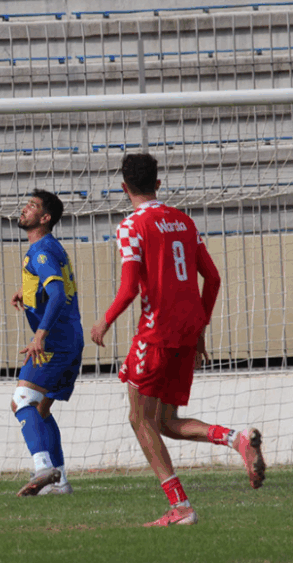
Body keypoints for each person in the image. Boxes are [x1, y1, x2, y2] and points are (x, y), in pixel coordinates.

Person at [90, 153, 266, 527]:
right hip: (187, 333)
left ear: (124, 188)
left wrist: (104, 322)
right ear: (158, 183)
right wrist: (200, 330)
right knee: (165, 421)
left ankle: (181, 507)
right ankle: (236, 439)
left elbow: (128, 290)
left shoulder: (131, 225)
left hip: (155, 335)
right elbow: (213, 279)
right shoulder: (184, 221)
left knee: (140, 420)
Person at [9, 190, 84, 497]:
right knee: (40, 409)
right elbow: (51, 287)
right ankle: (60, 482)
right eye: (25, 203)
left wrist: (39, 334)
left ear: (45, 218)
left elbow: (56, 294)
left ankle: (43, 467)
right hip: (71, 339)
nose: (24, 209)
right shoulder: (50, 248)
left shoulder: (41, 250)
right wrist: (27, 294)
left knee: (22, 400)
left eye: (33, 207)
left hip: (54, 341)